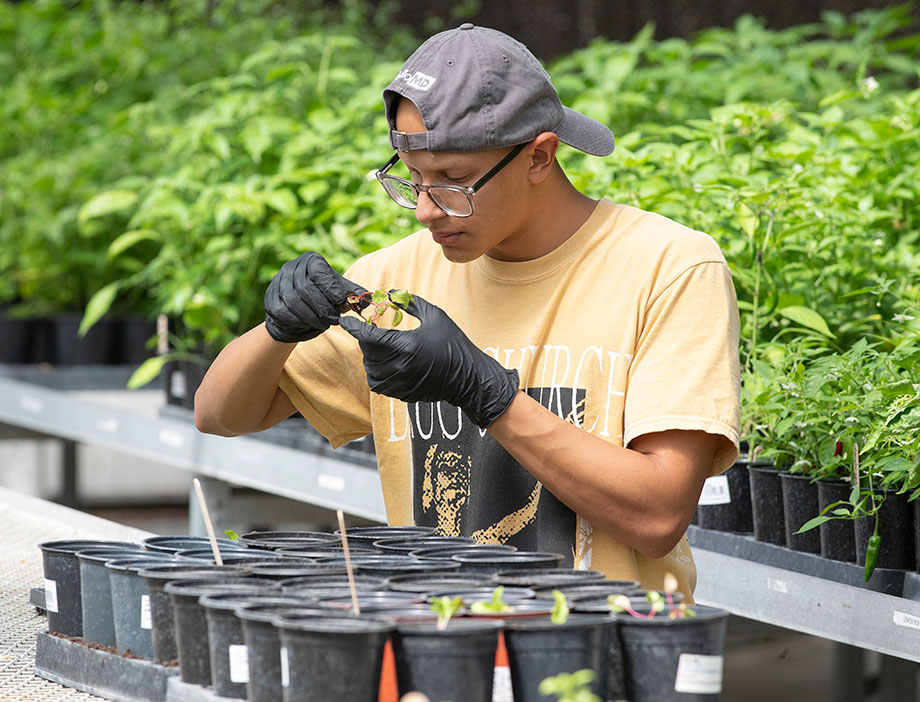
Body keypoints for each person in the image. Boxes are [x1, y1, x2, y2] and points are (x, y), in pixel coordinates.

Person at [194, 23, 740, 598]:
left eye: (453, 182)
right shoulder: (396, 278)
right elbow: (220, 415)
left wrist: (486, 392)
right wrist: (277, 330)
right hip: (439, 642)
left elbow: (656, 517)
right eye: (413, 180)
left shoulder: (667, 267)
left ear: (539, 156)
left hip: (605, 651)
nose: (426, 212)